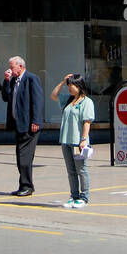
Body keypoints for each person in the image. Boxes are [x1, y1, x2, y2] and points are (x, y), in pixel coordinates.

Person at [1, 56, 43, 196]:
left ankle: (27, 186)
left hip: (29, 125)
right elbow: (5, 97)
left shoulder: (31, 78)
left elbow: (37, 101)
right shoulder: (13, 80)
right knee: (20, 157)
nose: (10, 70)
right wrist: (6, 81)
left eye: (12, 67)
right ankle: (24, 185)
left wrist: (36, 121)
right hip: (18, 124)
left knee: (24, 158)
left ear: (20, 66)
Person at [52, 73, 94, 208]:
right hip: (66, 140)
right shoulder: (68, 100)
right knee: (71, 170)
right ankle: (74, 195)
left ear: (79, 86)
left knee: (81, 169)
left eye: (72, 85)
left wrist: (84, 139)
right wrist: (62, 82)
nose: (70, 88)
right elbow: (53, 95)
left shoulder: (86, 102)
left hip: (78, 141)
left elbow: (87, 122)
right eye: (69, 85)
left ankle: (84, 197)